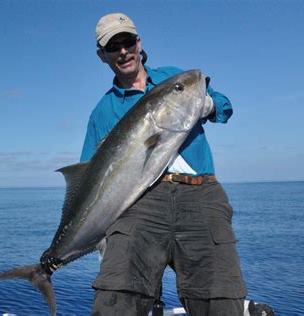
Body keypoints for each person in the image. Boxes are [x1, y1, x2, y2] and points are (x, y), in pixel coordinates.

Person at [80, 13, 247, 316]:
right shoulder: (102, 111)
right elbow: (86, 179)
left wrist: (208, 105)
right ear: (102, 56)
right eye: (113, 46)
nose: (123, 51)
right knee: (116, 297)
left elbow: (224, 106)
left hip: (201, 194)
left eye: (127, 41)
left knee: (221, 297)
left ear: (139, 42)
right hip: (141, 202)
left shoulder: (175, 79)